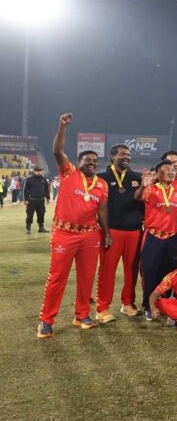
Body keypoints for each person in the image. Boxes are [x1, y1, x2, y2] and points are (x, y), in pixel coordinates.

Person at [37, 113, 112, 338]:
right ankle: (46, 320)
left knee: (87, 277)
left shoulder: (102, 184)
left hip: (90, 235)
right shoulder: (69, 172)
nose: (92, 163)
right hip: (64, 233)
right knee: (57, 277)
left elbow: (102, 210)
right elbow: (57, 151)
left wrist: (107, 233)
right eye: (87, 159)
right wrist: (62, 126)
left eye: (95, 160)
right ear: (79, 162)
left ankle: (82, 315)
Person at [95, 144, 145, 320]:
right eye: (123, 154)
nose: (126, 157)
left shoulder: (138, 178)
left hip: (135, 231)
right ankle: (102, 308)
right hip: (112, 231)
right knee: (107, 270)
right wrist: (105, 232)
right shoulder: (102, 178)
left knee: (131, 270)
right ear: (112, 157)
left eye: (128, 154)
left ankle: (128, 303)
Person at [134, 160, 177, 319]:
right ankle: (148, 305)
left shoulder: (176, 192)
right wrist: (142, 186)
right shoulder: (151, 189)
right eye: (167, 169)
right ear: (158, 174)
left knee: (169, 272)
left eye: (173, 169)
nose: (171, 172)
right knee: (150, 272)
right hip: (153, 236)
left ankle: (164, 303)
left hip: (172, 238)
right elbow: (138, 197)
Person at [24, 166, 50, 233]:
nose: (39, 172)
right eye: (38, 171)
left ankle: (41, 228)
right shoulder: (29, 179)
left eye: (40, 171)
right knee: (30, 215)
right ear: (34, 171)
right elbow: (26, 190)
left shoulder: (44, 179)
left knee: (41, 214)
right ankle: (28, 228)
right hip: (31, 200)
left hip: (41, 200)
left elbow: (46, 189)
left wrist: (48, 198)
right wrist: (26, 199)